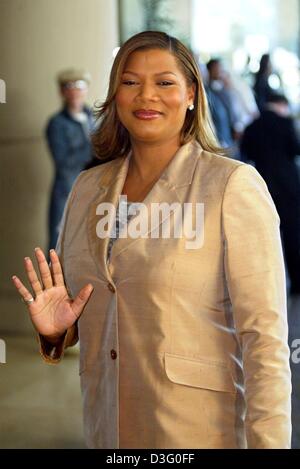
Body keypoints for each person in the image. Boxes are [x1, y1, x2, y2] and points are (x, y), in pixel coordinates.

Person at [12, 31, 291, 449]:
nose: (146, 96)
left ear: (192, 93)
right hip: (106, 427)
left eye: (164, 82)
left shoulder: (231, 186)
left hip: (194, 431)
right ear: (114, 95)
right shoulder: (88, 189)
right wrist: (58, 333)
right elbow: (95, 305)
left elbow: (264, 340)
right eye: (130, 82)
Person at [241, 93, 300, 295]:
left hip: (262, 184)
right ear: (280, 104)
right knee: (293, 234)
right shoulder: (285, 123)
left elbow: (246, 154)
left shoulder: (251, 127)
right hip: (288, 184)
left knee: (264, 236)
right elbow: (295, 148)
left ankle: (268, 287)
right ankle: (297, 281)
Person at [46, 68, 95, 253]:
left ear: (86, 89)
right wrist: (94, 146)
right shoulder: (57, 123)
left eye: (79, 85)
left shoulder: (96, 117)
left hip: (94, 191)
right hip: (67, 192)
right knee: (59, 245)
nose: (74, 90)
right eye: (69, 86)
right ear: (62, 92)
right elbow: (63, 163)